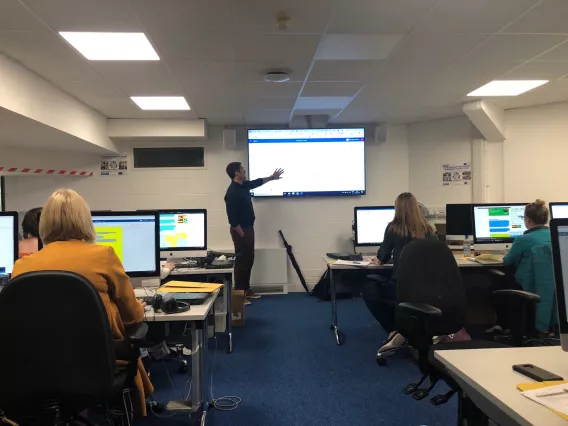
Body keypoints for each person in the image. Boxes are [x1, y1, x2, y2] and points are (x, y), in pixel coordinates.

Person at [11, 189, 153, 417]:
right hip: (96, 364)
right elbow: (133, 316)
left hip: (37, 368)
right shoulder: (103, 255)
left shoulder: (22, 266)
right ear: (85, 220)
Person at [362, 192, 436, 355]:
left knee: (369, 287)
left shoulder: (394, 228)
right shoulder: (429, 229)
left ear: (398, 209)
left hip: (402, 287)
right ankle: (407, 330)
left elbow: (383, 256)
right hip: (428, 289)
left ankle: (395, 330)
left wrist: (379, 259)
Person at [224, 162, 284, 302]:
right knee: (242, 262)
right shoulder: (232, 192)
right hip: (241, 231)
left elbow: (257, 183)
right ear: (237, 173)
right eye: (243, 170)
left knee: (249, 260)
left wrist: (272, 177)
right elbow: (232, 219)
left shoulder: (243, 185)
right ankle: (239, 295)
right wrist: (243, 234)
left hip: (248, 229)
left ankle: (246, 290)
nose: (245, 171)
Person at [502, 199, 555, 334]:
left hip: (530, 285)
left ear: (528, 220)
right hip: (554, 286)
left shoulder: (523, 240)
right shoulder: (555, 235)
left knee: (497, 284)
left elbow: (507, 261)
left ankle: (506, 326)